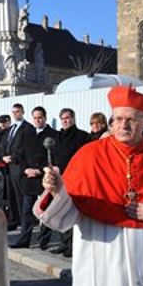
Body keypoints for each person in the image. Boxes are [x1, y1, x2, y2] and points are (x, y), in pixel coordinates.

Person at [35, 85, 143, 286]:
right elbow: (67, 212)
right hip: (101, 246)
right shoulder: (88, 154)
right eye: (118, 119)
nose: (124, 125)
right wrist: (56, 191)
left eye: (132, 119)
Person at [12, 106, 58, 249]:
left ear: (45, 118)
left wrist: (38, 170)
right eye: (35, 118)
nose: (37, 120)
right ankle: (24, 239)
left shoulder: (53, 135)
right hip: (29, 178)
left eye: (40, 117)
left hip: (44, 177)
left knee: (45, 210)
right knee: (27, 210)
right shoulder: (28, 134)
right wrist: (26, 169)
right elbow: (22, 154)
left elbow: (53, 157)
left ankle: (43, 240)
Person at [48, 108, 90, 257]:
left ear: (73, 119)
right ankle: (63, 242)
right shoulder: (57, 137)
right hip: (59, 179)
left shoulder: (82, 136)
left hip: (75, 179)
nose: (65, 121)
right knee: (61, 210)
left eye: (67, 118)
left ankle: (73, 245)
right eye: (63, 119)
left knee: (72, 212)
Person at [1, 103, 35, 233]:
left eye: (18, 112)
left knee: (21, 197)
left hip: (20, 166)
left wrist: (13, 158)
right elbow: (5, 145)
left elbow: (25, 147)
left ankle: (23, 222)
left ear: (23, 112)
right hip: (9, 167)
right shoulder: (11, 128)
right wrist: (3, 157)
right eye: (14, 112)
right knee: (12, 196)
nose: (16, 114)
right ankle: (14, 220)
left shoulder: (28, 128)